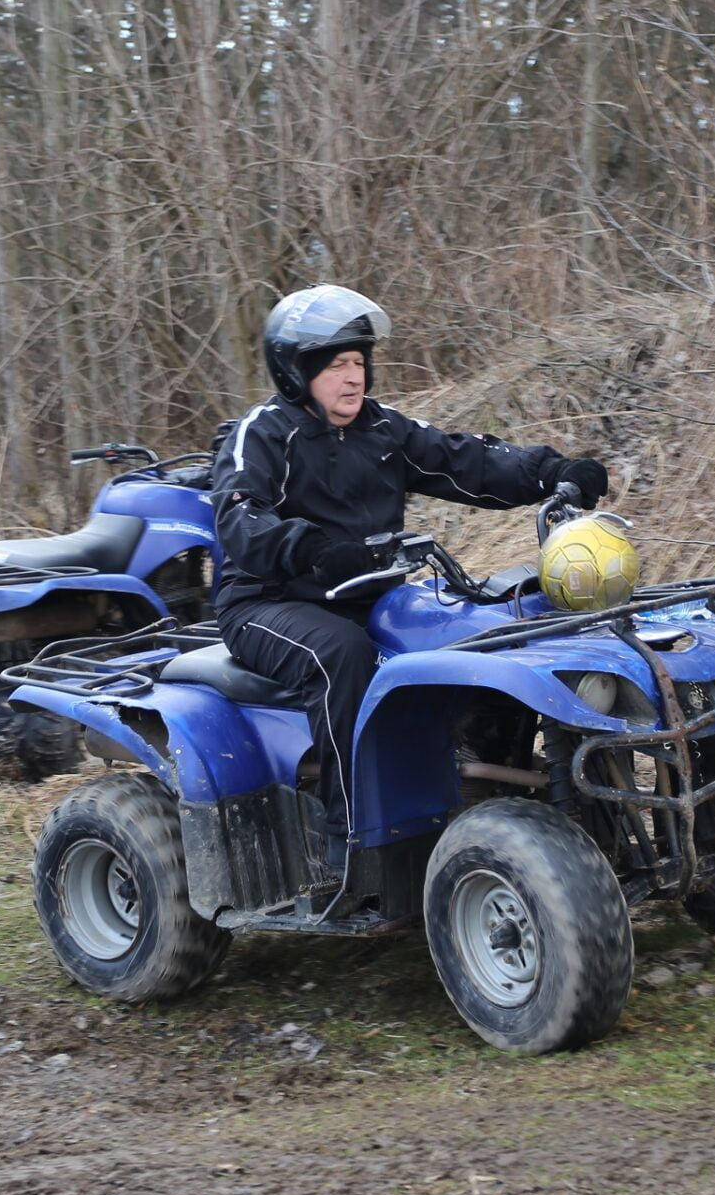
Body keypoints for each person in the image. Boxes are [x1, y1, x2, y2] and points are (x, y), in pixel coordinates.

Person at [209, 286, 609, 842]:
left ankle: (491, 788)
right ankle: (352, 836)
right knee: (341, 657)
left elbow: (466, 461)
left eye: (358, 364)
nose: (353, 378)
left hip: (368, 594)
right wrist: (314, 550)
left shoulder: (381, 429)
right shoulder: (262, 434)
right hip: (269, 601)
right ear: (295, 373)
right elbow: (240, 518)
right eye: (335, 367)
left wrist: (556, 472)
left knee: (491, 629)